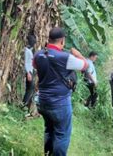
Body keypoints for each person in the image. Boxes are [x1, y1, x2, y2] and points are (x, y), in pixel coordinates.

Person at [34, 27, 88, 156]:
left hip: (42, 101)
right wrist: (78, 54)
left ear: (49, 39)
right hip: (59, 102)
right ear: (62, 40)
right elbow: (85, 66)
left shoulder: (38, 54)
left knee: (49, 130)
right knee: (61, 134)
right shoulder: (65, 57)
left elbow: (36, 68)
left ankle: (47, 154)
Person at [22, 34, 36, 108]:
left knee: (30, 88)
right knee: (31, 87)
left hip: (30, 71)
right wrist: (28, 73)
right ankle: (24, 104)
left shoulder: (28, 50)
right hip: (29, 72)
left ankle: (26, 105)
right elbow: (26, 63)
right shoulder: (27, 51)